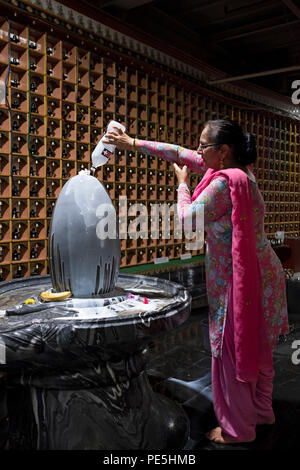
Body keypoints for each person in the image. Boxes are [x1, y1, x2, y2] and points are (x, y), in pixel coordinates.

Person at [103, 119, 289, 444]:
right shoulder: (239, 172)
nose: (197, 150)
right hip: (264, 274)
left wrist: (182, 185)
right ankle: (261, 411)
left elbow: (188, 221)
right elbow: (177, 152)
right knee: (257, 345)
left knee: (233, 350)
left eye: (203, 145)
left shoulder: (221, 185)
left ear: (223, 150)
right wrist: (131, 142)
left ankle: (236, 430)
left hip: (238, 280)